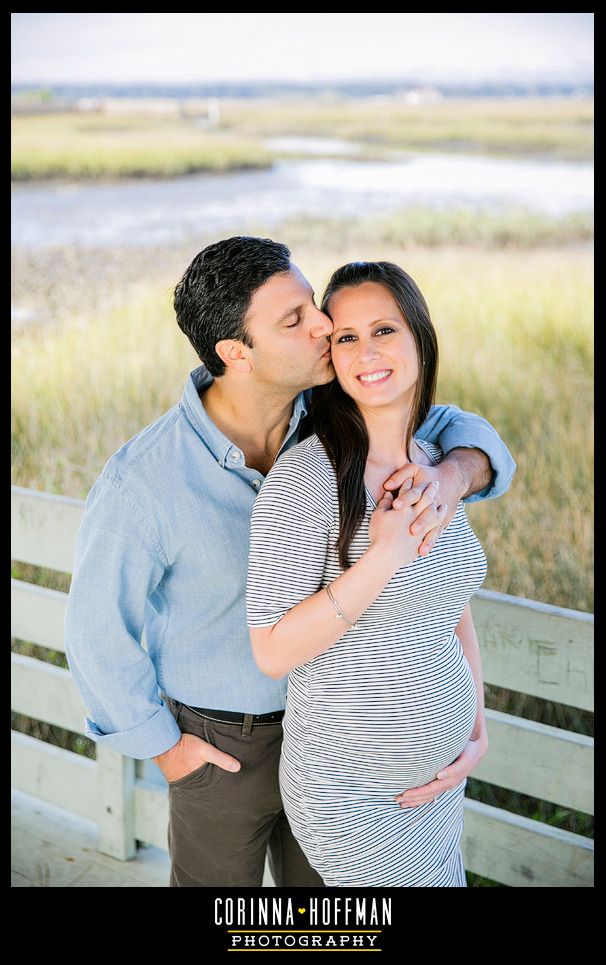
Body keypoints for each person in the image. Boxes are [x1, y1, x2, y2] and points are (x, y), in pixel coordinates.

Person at [64, 237, 515, 888]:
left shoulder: (335, 417)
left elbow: (459, 429)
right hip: (227, 744)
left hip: (337, 736)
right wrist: (165, 748)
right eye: (295, 319)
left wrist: (450, 476)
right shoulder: (146, 480)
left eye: (312, 304)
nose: (324, 327)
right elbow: (96, 632)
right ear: (235, 354)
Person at [247, 259, 499, 888]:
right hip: (352, 797)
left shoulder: (436, 466)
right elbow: (273, 651)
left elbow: (449, 603)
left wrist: (476, 719)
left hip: (438, 791)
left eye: (384, 330)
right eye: (347, 338)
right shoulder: (306, 481)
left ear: (420, 336)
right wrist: (382, 554)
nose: (367, 352)